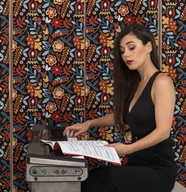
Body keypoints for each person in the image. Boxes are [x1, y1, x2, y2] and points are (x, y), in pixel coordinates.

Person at [63, 23, 176, 192]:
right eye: (123, 51)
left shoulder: (162, 82)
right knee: (91, 176)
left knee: (100, 179)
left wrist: (128, 148)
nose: (126, 55)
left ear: (148, 47)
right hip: (137, 162)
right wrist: (89, 124)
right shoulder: (136, 83)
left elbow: (163, 132)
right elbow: (122, 116)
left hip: (158, 169)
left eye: (131, 48)